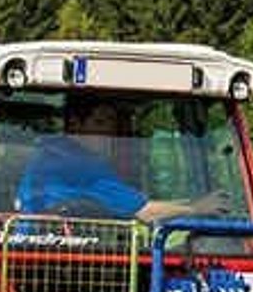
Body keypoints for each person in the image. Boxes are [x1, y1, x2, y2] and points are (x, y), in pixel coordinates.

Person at [15, 95, 234, 222]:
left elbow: (137, 204)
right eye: (100, 122)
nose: (110, 133)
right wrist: (197, 208)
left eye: (112, 123)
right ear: (74, 124)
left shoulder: (51, 155)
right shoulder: (80, 166)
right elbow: (144, 211)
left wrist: (191, 202)